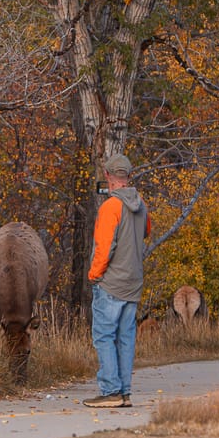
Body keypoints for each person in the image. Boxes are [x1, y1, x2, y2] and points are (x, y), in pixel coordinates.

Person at [83, 153, 151, 409]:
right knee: (125, 338)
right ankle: (124, 392)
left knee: (103, 336)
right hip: (133, 282)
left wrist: (94, 275)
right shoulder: (141, 205)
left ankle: (110, 390)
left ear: (109, 176)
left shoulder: (111, 207)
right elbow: (146, 231)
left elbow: (104, 248)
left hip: (111, 283)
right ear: (128, 176)